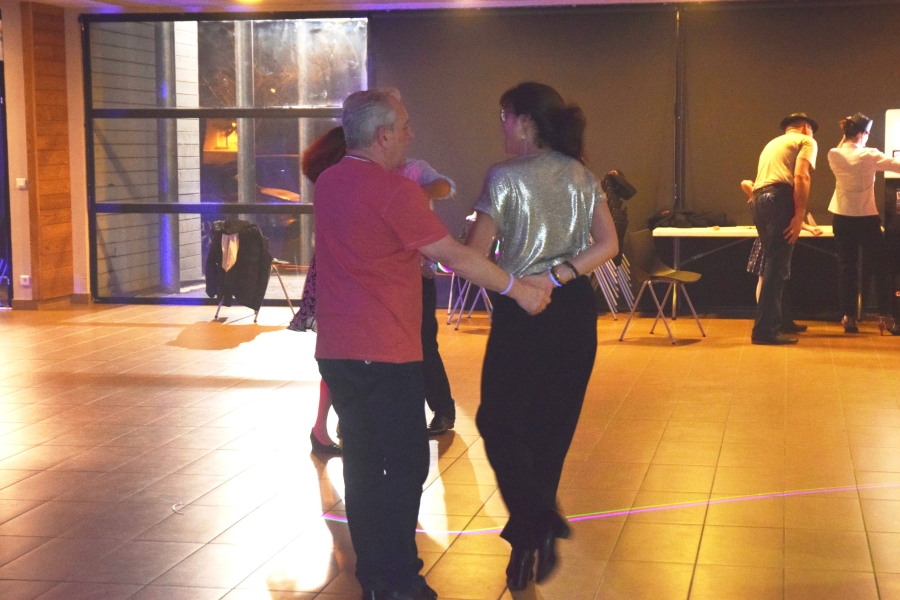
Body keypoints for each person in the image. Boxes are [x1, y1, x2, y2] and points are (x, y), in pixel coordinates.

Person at [314, 88, 550, 600]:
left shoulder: (330, 182)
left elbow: (379, 247)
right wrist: (520, 289)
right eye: (403, 127)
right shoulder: (394, 191)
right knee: (404, 466)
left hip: (337, 349)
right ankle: (399, 580)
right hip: (384, 350)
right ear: (382, 137)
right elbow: (455, 257)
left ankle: (376, 577)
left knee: (363, 461)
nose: (410, 134)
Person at [466, 82, 618, 590]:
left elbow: (475, 255)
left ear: (526, 121)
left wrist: (526, 280)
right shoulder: (580, 173)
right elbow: (608, 244)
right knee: (550, 430)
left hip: (522, 308)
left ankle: (538, 521)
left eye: (504, 117)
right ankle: (530, 542)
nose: (502, 126)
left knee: (498, 421)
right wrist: (558, 276)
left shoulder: (504, 176)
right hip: (574, 310)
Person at [286, 126, 347, 456]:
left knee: (336, 353)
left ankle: (324, 427)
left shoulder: (327, 184)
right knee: (339, 355)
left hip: (328, 272)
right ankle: (327, 426)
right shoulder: (338, 185)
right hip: (337, 276)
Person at [398, 159, 459, 436]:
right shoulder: (366, 172)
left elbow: (446, 186)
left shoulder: (413, 169)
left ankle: (443, 409)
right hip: (384, 276)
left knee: (423, 344)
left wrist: (417, 193)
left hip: (418, 273)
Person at [827, 112, 900, 335]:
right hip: (866, 219)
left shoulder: (833, 154)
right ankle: (886, 317)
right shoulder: (869, 155)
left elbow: (842, 147)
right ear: (863, 133)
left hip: (841, 217)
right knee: (881, 268)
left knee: (847, 268)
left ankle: (848, 317)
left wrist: (847, 131)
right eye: (867, 133)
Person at [749, 112, 818, 345]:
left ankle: (783, 321)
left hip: (760, 199)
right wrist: (799, 215)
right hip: (779, 199)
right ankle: (764, 331)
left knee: (776, 264)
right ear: (806, 127)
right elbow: (801, 175)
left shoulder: (773, 143)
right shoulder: (806, 141)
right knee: (776, 267)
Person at [742, 180, 822, 315]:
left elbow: (792, 219)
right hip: (767, 241)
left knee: (772, 280)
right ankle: (765, 314)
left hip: (771, 239)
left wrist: (810, 228)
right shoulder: (762, 196)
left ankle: (775, 316)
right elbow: (744, 183)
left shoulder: (761, 198)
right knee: (764, 279)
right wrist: (757, 190)